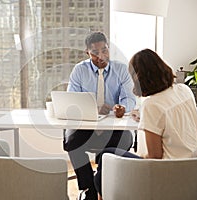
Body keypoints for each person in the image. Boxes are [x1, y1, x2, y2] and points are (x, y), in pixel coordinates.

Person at [93, 48, 197, 200]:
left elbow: (154, 156)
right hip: (193, 169)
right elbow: (171, 119)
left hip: (165, 174)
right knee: (104, 165)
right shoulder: (184, 90)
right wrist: (147, 119)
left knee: (105, 156)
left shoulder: (152, 105)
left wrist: (135, 158)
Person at [64, 31, 136, 200]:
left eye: (105, 50)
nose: (101, 56)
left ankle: (103, 187)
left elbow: (129, 98)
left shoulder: (121, 69)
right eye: (95, 53)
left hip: (113, 128)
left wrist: (122, 107)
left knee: (125, 140)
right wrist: (93, 109)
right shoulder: (79, 70)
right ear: (87, 53)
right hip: (87, 127)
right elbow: (72, 101)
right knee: (71, 140)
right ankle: (89, 189)